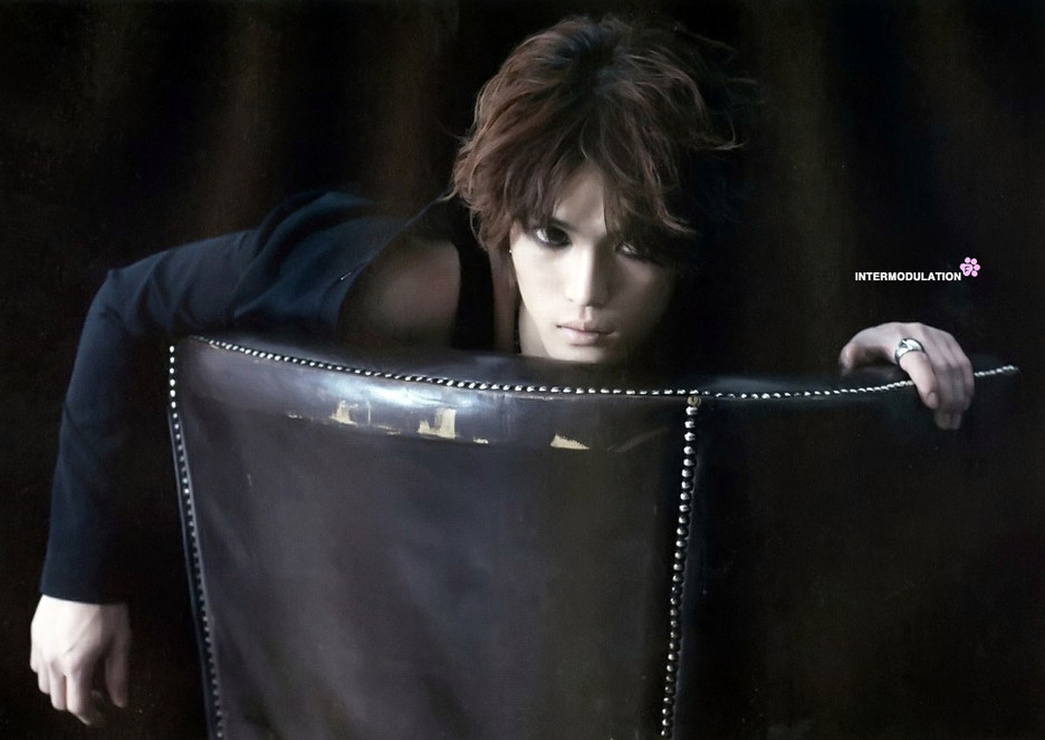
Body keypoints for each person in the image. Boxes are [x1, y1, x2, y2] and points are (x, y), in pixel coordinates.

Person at [29, 14, 974, 727]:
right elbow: (128, 302)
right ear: (503, 224)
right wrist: (75, 582)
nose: (587, 292)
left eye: (635, 245)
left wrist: (882, 344)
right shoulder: (410, 281)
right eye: (552, 236)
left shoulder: (711, 282)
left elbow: (815, 335)